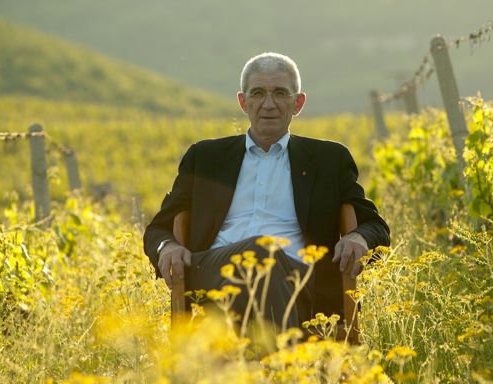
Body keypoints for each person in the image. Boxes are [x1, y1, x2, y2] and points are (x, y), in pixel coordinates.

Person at [144, 52, 389, 329]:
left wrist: (357, 237)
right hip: (211, 274)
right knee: (263, 250)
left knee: (266, 261)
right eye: (258, 93)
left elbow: (375, 227)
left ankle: (248, 359)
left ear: (298, 103)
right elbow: (158, 229)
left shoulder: (329, 160)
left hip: (298, 281)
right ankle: (282, 364)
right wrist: (168, 247)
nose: (268, 104)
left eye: (280, 93)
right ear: (243, 102)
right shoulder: (206, 157)